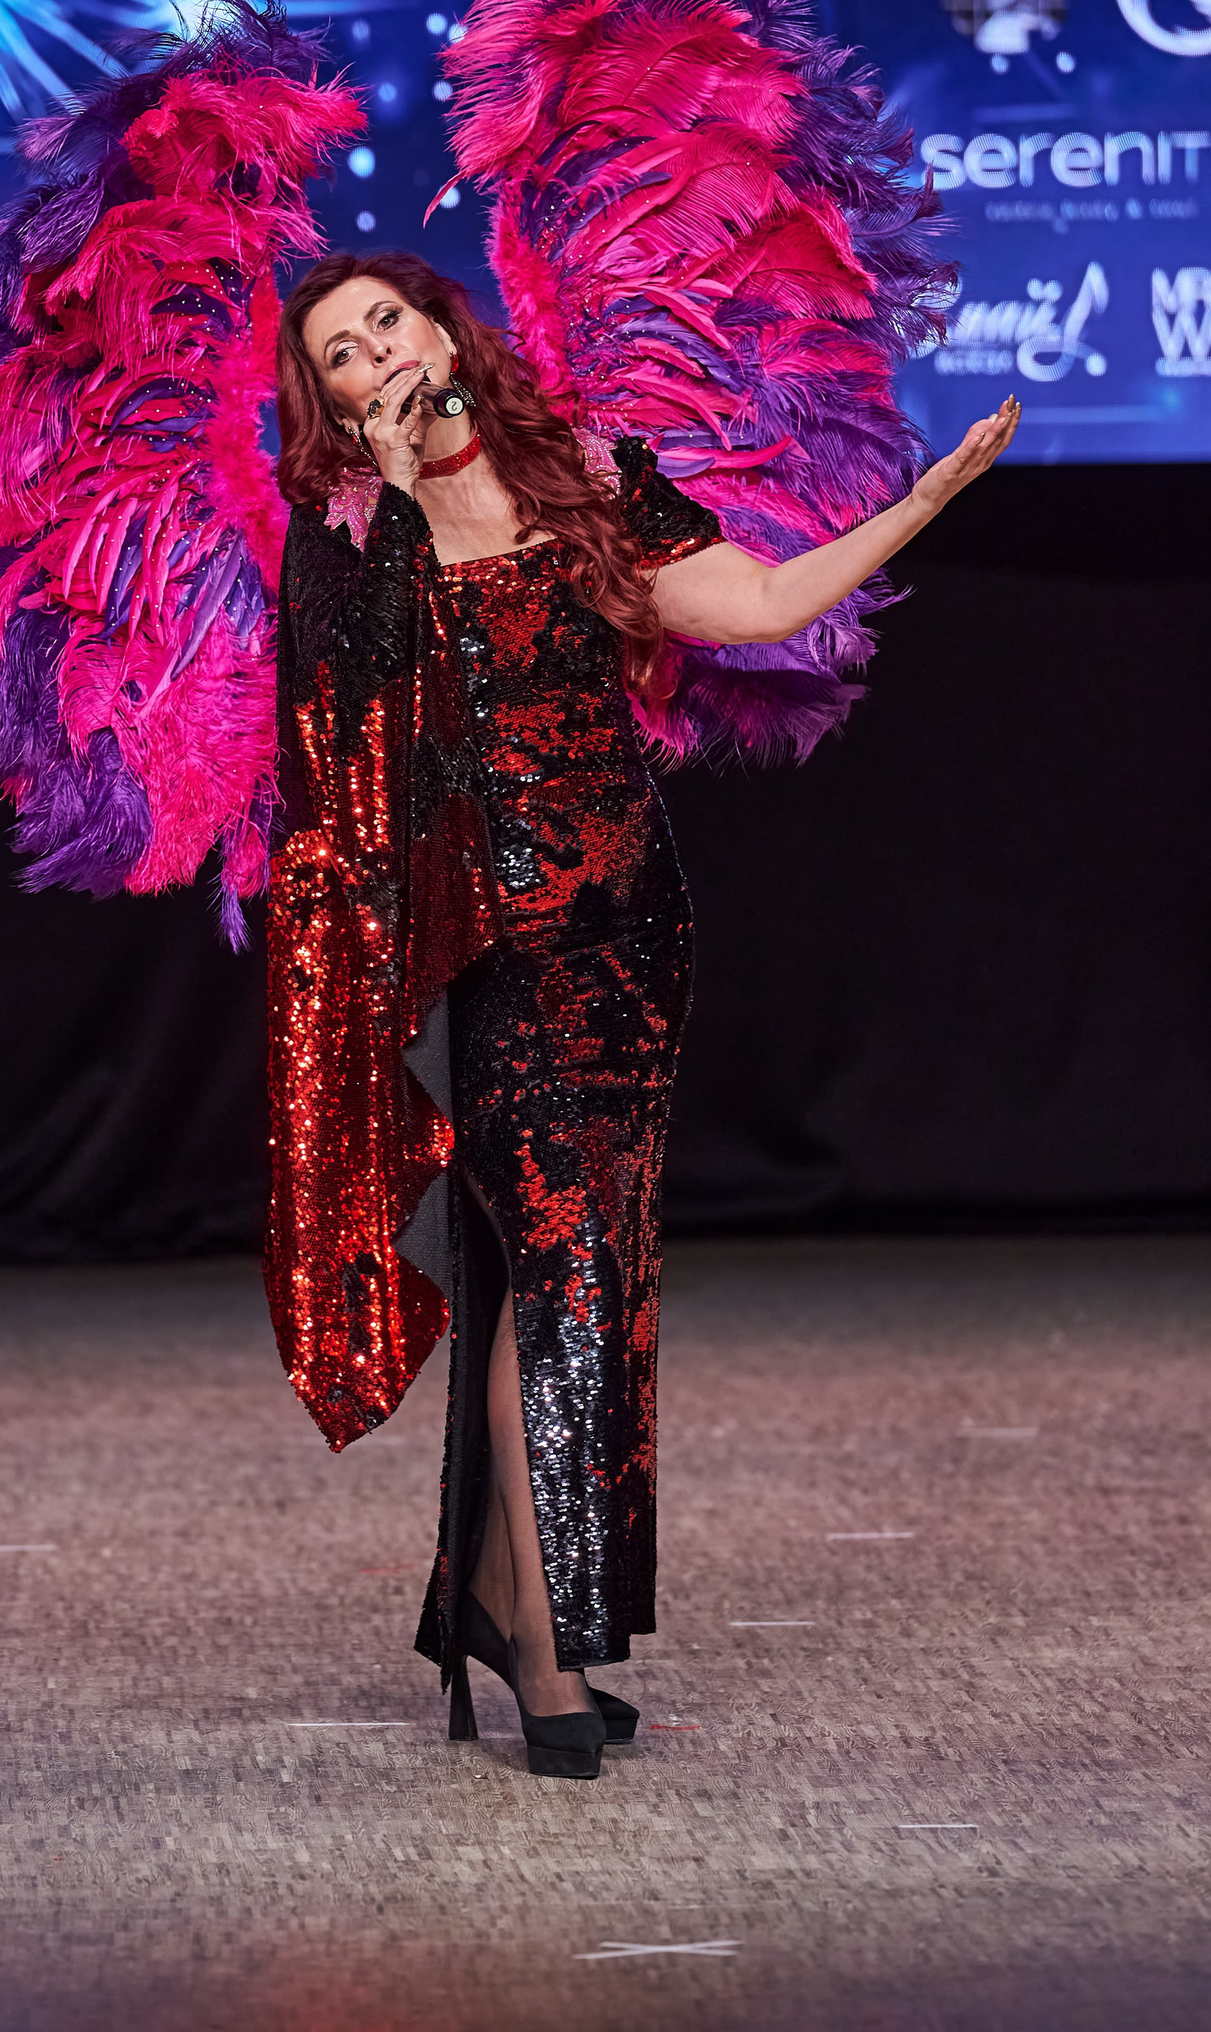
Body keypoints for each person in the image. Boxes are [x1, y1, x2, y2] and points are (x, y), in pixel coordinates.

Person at [266, 249, 1016, 1779]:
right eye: (343, 353)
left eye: (389, 320)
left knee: (583, 1268)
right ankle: (539, 1645)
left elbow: (750, 601)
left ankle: (496, 1598)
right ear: (333, 406)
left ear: (443, 328)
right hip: (489, 948)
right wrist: (397, 496)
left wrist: (925, 502)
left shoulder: (585, 475)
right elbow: (353, 720)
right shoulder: (345, 536)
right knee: (555, 1271)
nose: (378, 352)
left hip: (630, 936)